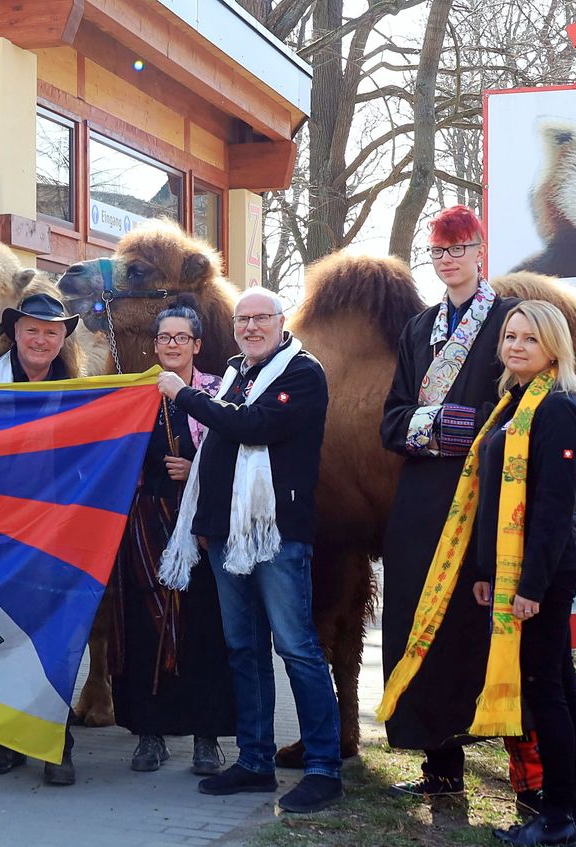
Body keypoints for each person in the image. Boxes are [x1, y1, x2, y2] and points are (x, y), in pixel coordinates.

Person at [156, 287, 343, 814]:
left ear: (281, 321)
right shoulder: (236, 372)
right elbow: (220, 449)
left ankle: (324, 768)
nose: (252, 326)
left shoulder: (302, 373)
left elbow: (252, 426)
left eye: (262, 317)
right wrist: (202, 523)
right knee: (243, 650)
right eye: (244, 319)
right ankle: (255, 762)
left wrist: (184, 396)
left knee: (297, 649)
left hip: (277, 535)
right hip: (223, 535)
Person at [379, 206, 544, 803]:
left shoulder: (508, 321)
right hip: (422, 497)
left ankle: (527, 773)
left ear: (480, 251)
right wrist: (434, 426)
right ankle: (438, 762)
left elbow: (526, 403)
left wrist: (467, 429)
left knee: (483, 622)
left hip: (490, 493)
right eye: (439, 251)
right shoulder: (418, 328)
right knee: (419, 617)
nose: (448, 260)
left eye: (459, 248)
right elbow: (392, 418)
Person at [473, 302, 576, 845]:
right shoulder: (514, 403)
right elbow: (491, 495)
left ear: (554, 348)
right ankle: (573, 812)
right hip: (519, 571)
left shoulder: (559, 407)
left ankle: (560, 818)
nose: (516, 345)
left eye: (529, 338)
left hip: (545, 572)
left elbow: (552, 507)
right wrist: (484, 569)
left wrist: (530, 588)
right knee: (559, 686)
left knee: (549, 692)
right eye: (510, 336)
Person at [109, 297, 235, 774]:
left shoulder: (219, 391)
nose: (173, 344)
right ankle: (150, 733)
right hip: (143, 523)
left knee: (204, 627)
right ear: (155, 343)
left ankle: (207, 738)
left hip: (199, 526)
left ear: (197, 344)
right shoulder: (134, 392)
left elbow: (235, 452)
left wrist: (195, 468)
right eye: (165, 337)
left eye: (182, 337)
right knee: (144, 628)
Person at [0, 291, 83, 786]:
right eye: (33, 330)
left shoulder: (85, 391)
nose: (41, 339)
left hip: (57, 535)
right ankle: (9, 737)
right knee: (2, 633)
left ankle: (57, 744)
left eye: (52, 331)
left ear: (63, 339)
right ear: (15, 333)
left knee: (55, 637)